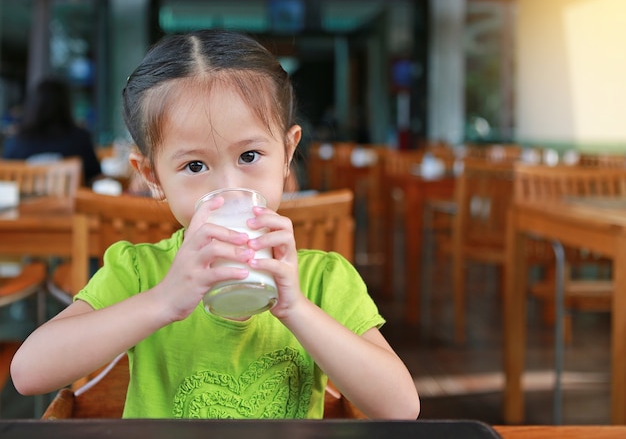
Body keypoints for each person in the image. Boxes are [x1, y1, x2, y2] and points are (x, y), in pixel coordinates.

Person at [10, 29, 420, 420]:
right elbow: (29, 373)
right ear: (152, 177)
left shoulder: (322, 279)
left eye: (249, 156)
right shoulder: (138, 273)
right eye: (194, 165)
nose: (227, 187)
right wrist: (163, 301)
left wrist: (297, 308)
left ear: (287, 152)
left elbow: (401, 407)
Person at [2, 78, 102, 185]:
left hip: (25, 201)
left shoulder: (15, 143)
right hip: (71, 202)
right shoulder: (80, 139)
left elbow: (4, 182)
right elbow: (96, 177)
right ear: (66, 105)